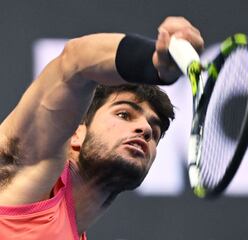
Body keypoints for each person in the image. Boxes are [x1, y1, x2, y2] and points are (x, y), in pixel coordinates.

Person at [0, 16, 204, 240]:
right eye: (124, 114)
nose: (145, 129)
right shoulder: (25, 171)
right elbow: (75, 62)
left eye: (154, 133)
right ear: (75, 134)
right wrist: (154, 62)